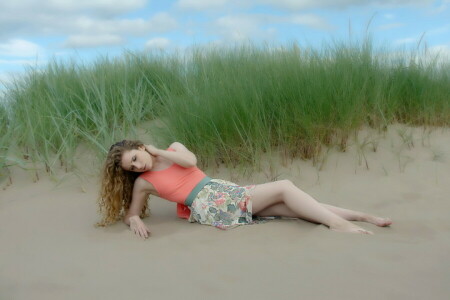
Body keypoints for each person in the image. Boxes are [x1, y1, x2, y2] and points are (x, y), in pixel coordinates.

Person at [96, 140, 392, 239]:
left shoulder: (172, 149)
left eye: (135, 158)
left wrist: (158, 151)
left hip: (222, 190)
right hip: (211, 204)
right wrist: (132, 218)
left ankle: (362, 217)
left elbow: (191, 161)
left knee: (291, 206)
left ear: (139, 147)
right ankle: (338, 224)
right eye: (131, 168)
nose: (137, 166)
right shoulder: (145, 183)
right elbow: (130, 213)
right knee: (285, 186)